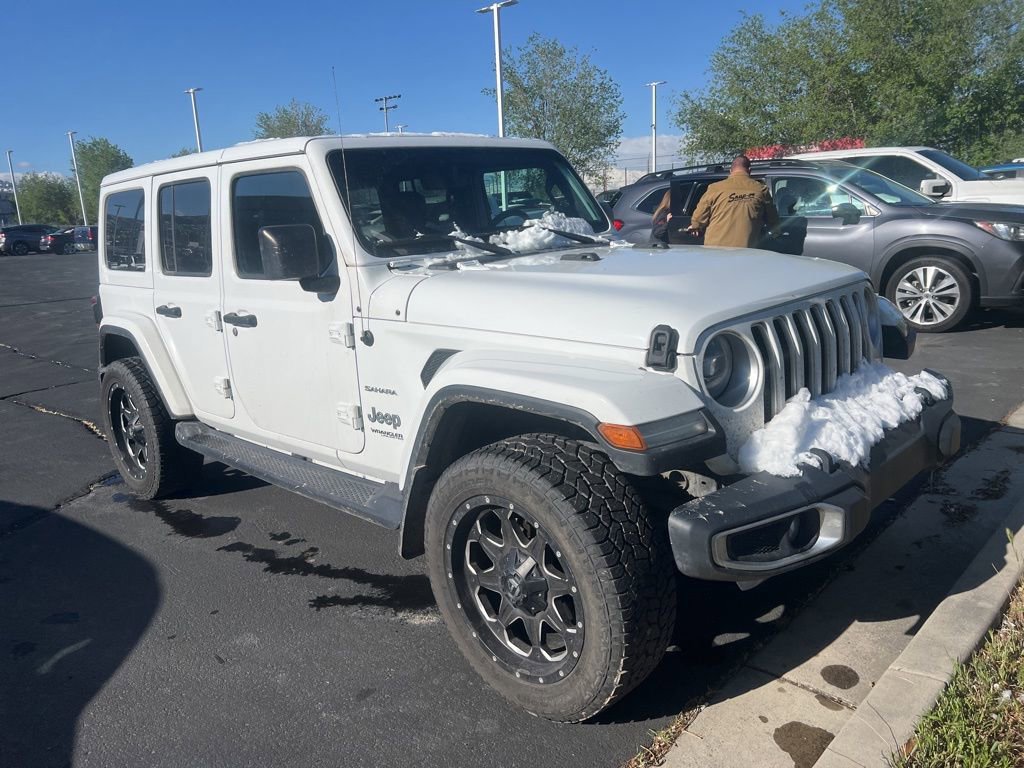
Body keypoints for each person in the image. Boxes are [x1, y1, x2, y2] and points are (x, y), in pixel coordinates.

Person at [686, 155, 779, 247]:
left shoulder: (714, 188)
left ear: (730, 171)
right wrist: (777, 233)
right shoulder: (760, 189)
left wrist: (696, 226)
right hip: (747, 250)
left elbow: (699, 216)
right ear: (750, 170)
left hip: (716, 250)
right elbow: (772, 219)